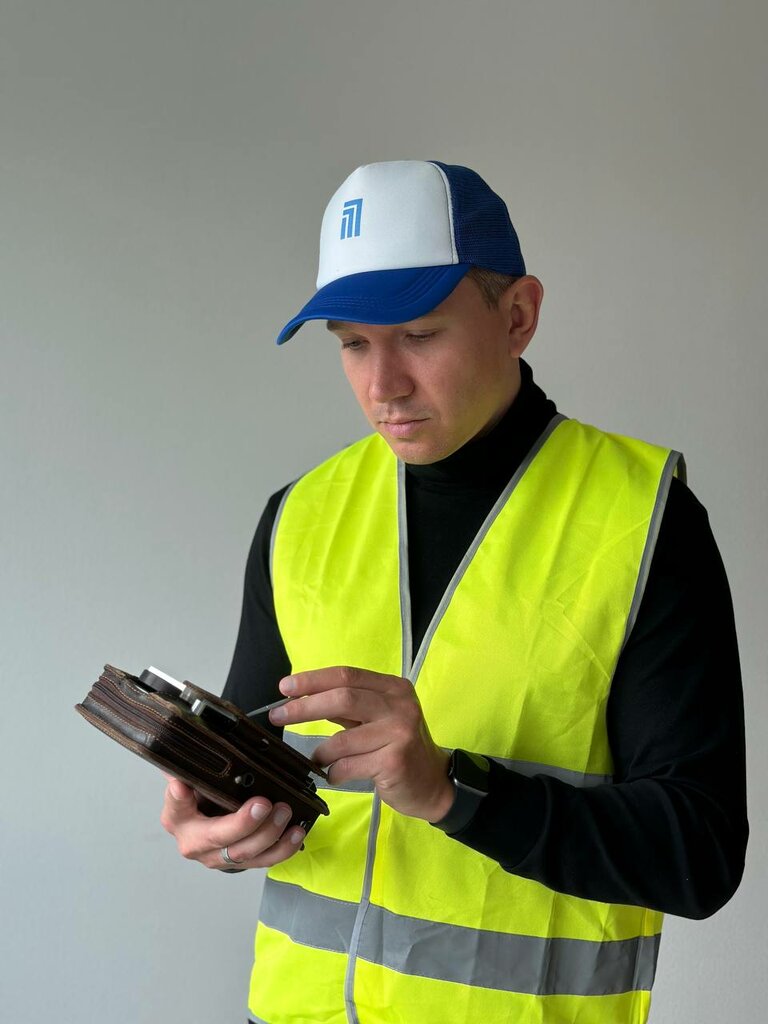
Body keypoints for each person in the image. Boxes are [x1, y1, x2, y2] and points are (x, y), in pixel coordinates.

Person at [160, 160, 748, 1024]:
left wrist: (451, 791)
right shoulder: (299, 516)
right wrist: (217, 824)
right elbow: (260, 778)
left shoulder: (645, 518)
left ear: (518, 317)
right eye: (354, 344)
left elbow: (698, 858)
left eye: (419, 334)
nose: (383, 385)